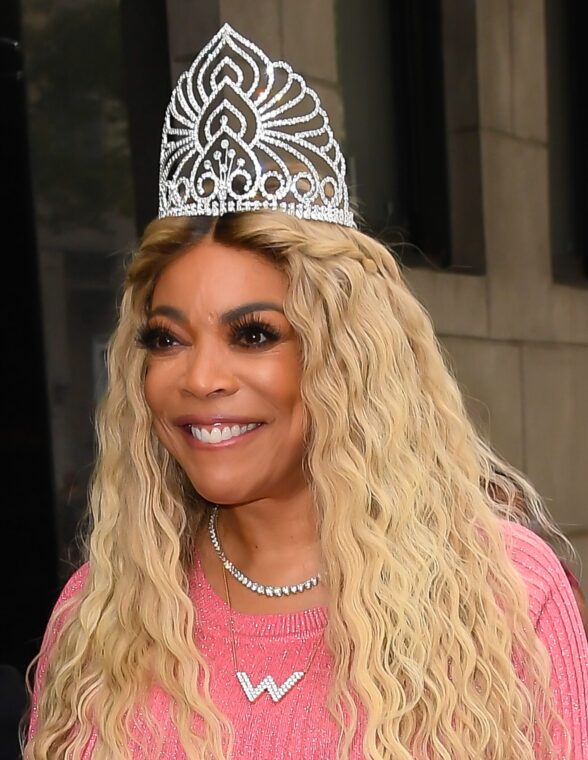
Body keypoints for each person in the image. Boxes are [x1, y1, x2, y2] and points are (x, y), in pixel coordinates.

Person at [25, 24, 587, 760]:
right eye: (167, 338)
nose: (199, 378)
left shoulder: (505, 596)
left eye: (253, 334)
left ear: (343, 357)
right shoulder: (98, 614)